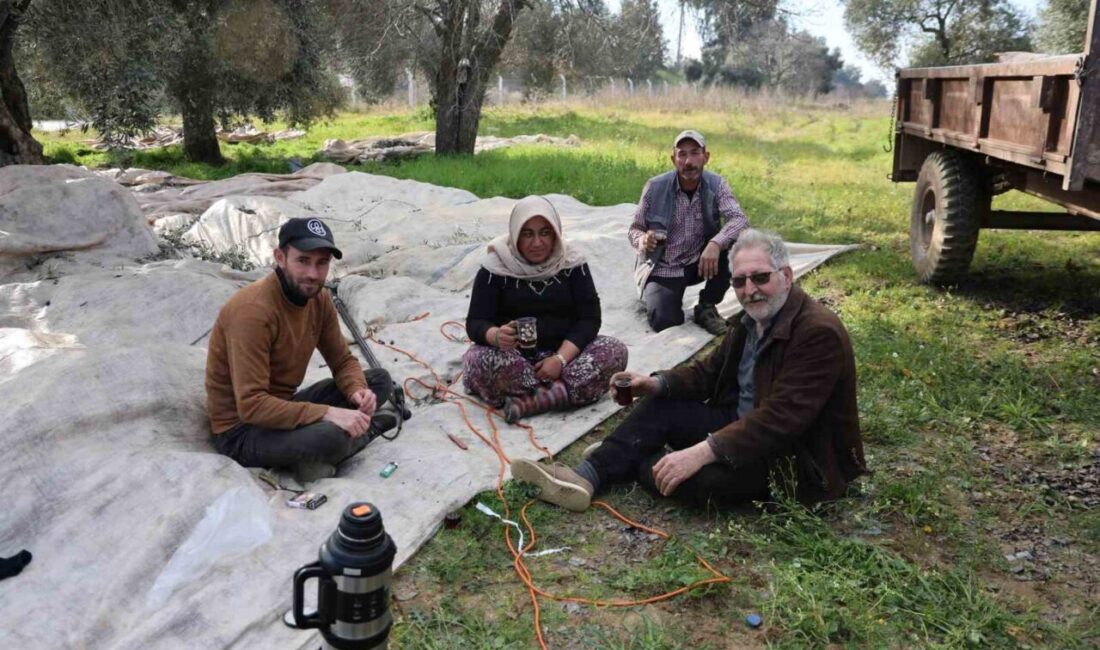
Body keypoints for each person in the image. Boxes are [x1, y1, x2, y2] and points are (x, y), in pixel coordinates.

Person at [512, 229, 867, 511]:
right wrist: (654, 383)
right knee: (660, 406)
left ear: (787, 276)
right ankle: (585, 477)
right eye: (740, 281)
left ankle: (626, 454)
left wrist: (703, 451)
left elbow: (779, 421)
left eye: (760, 277)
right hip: (739, 424)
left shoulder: (817, 333)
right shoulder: (753, 319)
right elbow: (708, 374)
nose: (750, 290)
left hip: (794, 456)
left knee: (701, 483)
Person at [205, 217, 398, 483]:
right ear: (280, 257)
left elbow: (342, 360)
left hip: (282, 407)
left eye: (322, 263)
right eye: (303, 261)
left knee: (378, 379)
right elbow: (251, 406)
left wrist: (356, 391)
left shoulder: (318, 299)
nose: (314, 274)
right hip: (242, 431)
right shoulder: (252, 312)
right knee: (330, 437)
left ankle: (324, 448)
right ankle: (364, 432)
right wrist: (329, 413)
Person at [463, 195, 628, 423]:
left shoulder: (572, 265)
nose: (537, 243)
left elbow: (589, 319)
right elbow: (475, 322)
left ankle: (536, 398)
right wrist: (496, 335)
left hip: (565, 356)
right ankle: (560, 392)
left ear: (555, 234)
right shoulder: (494, 269)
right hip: (514, 358)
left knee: (614, 350)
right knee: (479, 359)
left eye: (545, 233)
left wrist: (559, 360)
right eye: (527, 234)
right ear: (515, 235)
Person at [631, 129, 751, 335]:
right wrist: (643, 240)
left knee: (739, 242)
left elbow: (739, 219)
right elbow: (635, 229)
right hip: (665, 267)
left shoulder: (717, 184)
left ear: (706, 157)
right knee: (665, 322)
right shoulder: (655, 187)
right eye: (682, 154)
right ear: (673, 159)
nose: (689, 161)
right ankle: (661, 296)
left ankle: (707, 304)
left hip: (701, 261)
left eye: (695, 153)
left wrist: (715, 244)